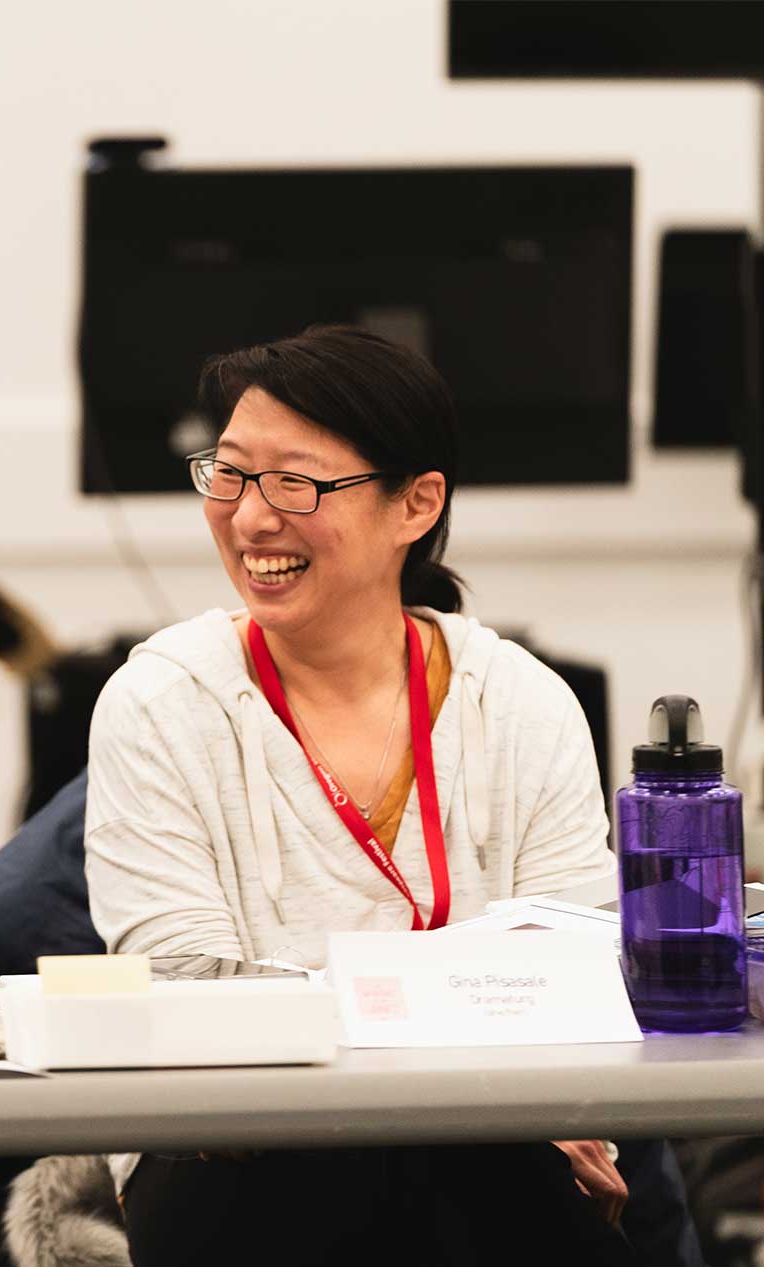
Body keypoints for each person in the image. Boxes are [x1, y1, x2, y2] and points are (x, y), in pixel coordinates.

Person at [82, 325, 699, 1267]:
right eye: (231, 474)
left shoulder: (518, 700)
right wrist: (441, 1035)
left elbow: (574, 975)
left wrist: (531, 1106)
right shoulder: (165, 701)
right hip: (238, 1149)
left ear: (416, 504)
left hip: (498, 1141)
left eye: (296, 483)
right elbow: (188, 994)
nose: (250, 519)